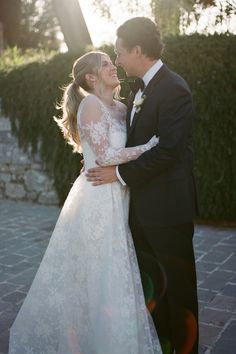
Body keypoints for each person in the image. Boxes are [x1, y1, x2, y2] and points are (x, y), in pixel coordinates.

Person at [8, 51, 162, 354]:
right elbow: (103, 156)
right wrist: (148, 147)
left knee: (114, 267)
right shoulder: (90, 103)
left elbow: (102, 152)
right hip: (97, 199)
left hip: (119, 193)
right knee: (98, 269)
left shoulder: (121, 107)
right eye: (105, 64)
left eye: (111, 61)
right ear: (91, 78)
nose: (112, 66)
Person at [86, 18, 199, 354]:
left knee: (179, 293)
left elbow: (168, 151)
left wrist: (118, 176)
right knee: (156, 292)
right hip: (139, 211)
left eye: (120, 53)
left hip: (167, 212)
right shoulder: (137, 89)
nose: (117, 60)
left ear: (137, 50)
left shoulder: (174, 88)